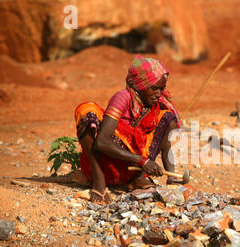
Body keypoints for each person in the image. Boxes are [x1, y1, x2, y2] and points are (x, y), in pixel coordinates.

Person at [74, 55, 182, 204]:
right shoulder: (122, 98)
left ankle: (137, 179)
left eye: (162, 89)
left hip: (133, 172)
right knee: (87, 111)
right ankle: (99, 182)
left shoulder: (155, 106)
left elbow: (166, 145)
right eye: (154, 88)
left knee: (167, 119)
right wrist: (142, 161)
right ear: (141, 85)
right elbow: (101, 142)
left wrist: (173, 177)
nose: (159, 94)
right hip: (108, 167)